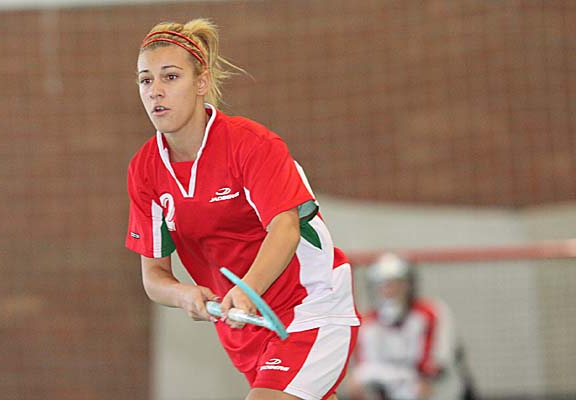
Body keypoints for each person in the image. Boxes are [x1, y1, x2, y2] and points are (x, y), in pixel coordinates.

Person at [124, 18, 361, 400]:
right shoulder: (144, 169)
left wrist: (248, 289)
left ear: (201, 82)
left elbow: (285, 228)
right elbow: (153, 276)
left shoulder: (251, 144)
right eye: (145, 80)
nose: (156, 91)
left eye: (170, 77)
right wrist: (183, 295)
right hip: (244, 326)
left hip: (308, 303)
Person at [346, 253, 476, 400]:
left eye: (396, 284)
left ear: (408, 286)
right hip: (396, 387)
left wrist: (417, 378)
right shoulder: (368, 325)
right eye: (383, 285)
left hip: (439, 391)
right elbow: (364, 368)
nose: (389, 291)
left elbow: (437, 363)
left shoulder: (431, 313)